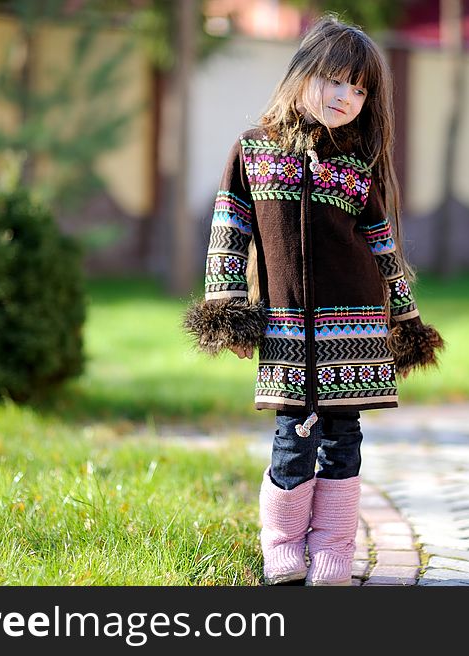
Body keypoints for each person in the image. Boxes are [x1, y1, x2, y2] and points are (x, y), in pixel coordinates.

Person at [184, 15, 444, 586]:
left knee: (342, 438)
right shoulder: (254, 151)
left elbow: (382, 246)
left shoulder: (357, 167)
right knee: (291, 438)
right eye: (336, 81)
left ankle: (332, 551)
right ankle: (282, 547)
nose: (347, 97)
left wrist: (406, 319)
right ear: (304, 74)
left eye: (360, 89)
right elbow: (229, 227)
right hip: (286, 330)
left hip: (353, 330)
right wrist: (226, 307)